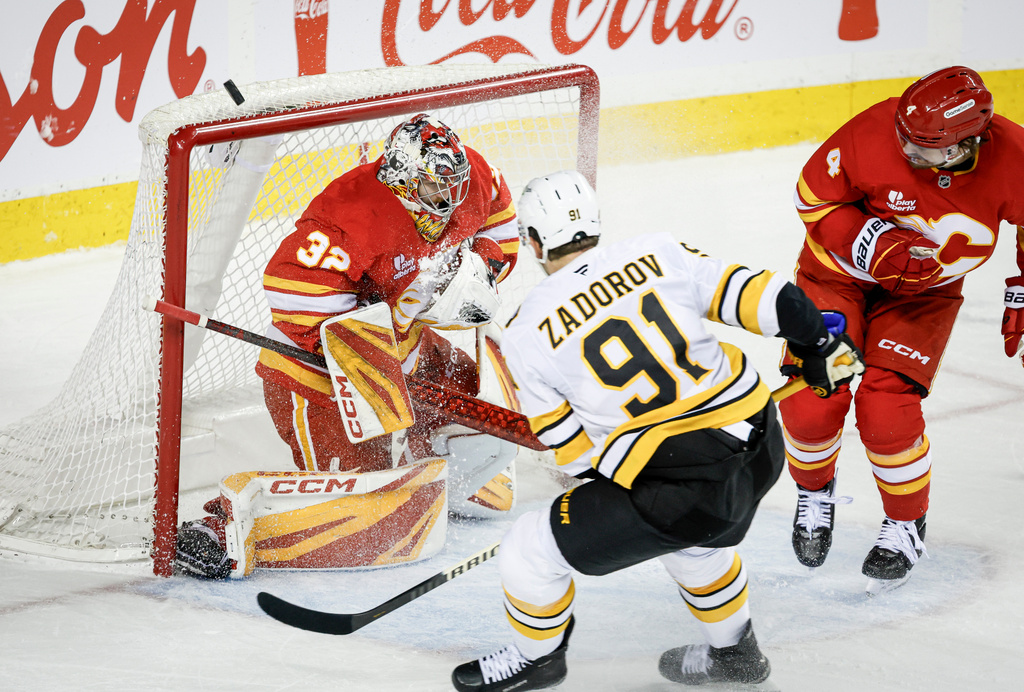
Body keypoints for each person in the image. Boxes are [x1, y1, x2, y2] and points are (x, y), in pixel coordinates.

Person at [451, 170, 864, 691]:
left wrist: (600, 488)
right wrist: (817, 347)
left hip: (683, 487)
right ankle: (736, 655)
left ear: (533, 242)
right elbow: (772, 297)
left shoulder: (527, 329)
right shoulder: (660, 252)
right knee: (693, 539)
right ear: (595, 224)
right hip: (760, 446)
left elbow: (570, 448)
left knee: (529, 549)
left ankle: (538, 660)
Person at [174, 113, 522, 579]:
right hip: (316, 376)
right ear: (401, 177)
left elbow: (499, 225)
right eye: (437, 191)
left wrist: (475, 273)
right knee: (368, 506)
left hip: (402, 342)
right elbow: (291, 295)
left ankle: (430, 469)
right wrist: (378, 356)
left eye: (455, 186)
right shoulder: (349, 215)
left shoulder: (467, 177)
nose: (451, 201)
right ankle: (225, 523)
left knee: (465, 388)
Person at [780, 66, 1024, 592]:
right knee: (809, 400)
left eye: (925, 151)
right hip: (835, 276)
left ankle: (906, 521)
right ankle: (814, 491)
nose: (908, 154)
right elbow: (811, 198)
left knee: (886, 410)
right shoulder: (876, 129)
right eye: (905, 141)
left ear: (967, 144)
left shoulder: (1016, 158)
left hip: (925, 295)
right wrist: (873, 241)